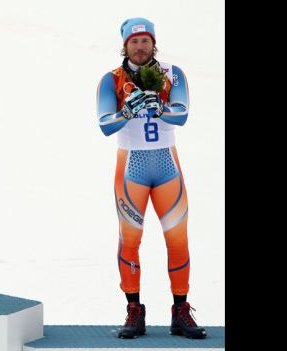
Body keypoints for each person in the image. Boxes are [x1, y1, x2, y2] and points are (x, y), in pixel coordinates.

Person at [96, 17, 207, 339]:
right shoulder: (111, 79)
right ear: (125, 45)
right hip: (131, 168)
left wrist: (158, 106)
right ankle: (134, 309)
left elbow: (182, 115)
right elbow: (105, 125)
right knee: (130, 242)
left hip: (167, 166)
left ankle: (181, 310)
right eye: (134, 41)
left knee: (178, 240)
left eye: (145, 41)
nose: (140, 46)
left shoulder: (172, 74)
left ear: (153, 43)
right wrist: (127, 112)